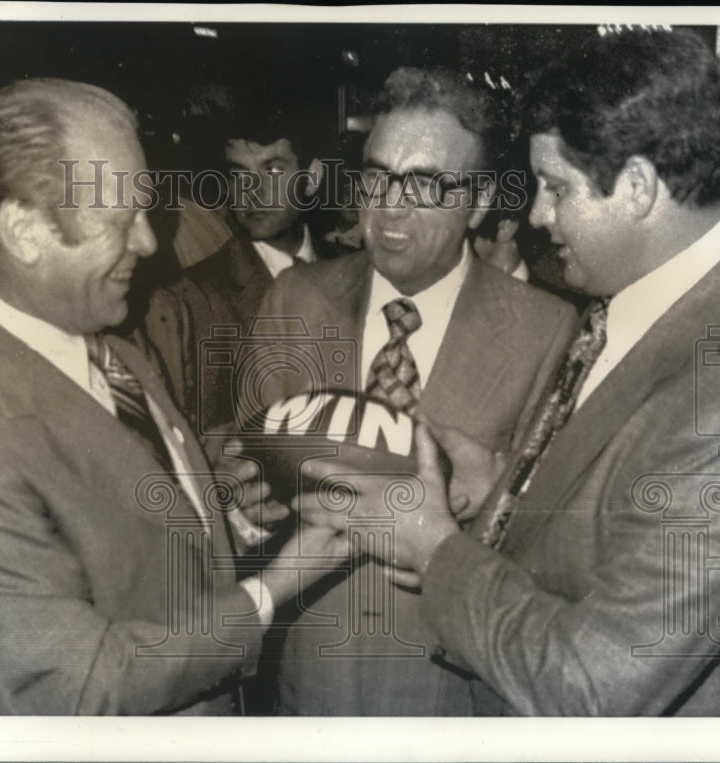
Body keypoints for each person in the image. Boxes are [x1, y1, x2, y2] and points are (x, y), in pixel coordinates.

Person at [300, 29, 720, 716]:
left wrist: (437, 549)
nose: (539, 216)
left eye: (555, 187)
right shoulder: (655, 306)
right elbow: (613, 507)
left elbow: (593, 680)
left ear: (637, 187)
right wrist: (500, 480)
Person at [0, 78, 347, 715]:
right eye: (120, 220)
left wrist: (227, 505)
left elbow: (124, 524)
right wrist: (276, 587)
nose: (148, 243)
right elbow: (82, 686)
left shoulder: (109, 346)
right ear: (24, 231)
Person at [247, 66, 579, 715]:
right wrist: (241, 495)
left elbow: (556, 543)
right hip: (310, 681)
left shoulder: (548, 329)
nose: (389, 206)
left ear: (479, 201)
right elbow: (245, 477)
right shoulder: (295, 299)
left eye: (425, 183)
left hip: (453, 689)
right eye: (377, 176)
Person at [144, 99, 342, 439]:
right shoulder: (189, 301)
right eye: (239, 174)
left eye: (273, 171)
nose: (252, 191)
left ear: (312, 179)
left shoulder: (355, 270)